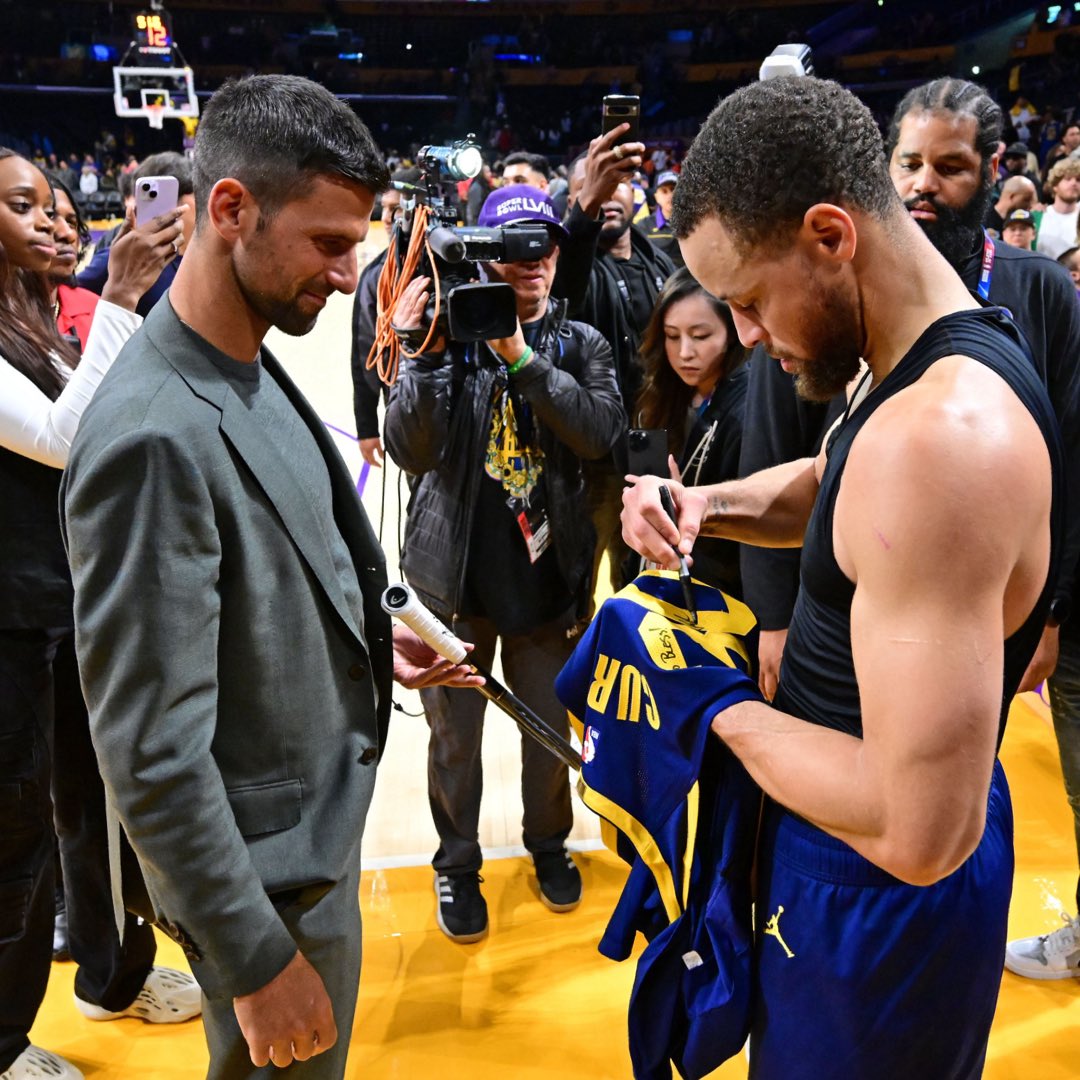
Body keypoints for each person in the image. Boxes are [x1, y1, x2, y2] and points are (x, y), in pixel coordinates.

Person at [621, 75, 1062, 1077]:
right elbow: (839, 482)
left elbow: (919, 831)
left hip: (877, 881)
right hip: (839, 836)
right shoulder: (917, 355)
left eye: (745, 301)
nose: (743, 336)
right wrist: (709, 504)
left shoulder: (942, 442)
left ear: (829, 236)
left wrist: (706, 705)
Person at [60, 75, 479, 1080]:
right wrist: (251, 957)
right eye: (330, 244)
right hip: (266, 889)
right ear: (230, 209)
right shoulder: (152, 435)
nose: (348, 278)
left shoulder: (239, 353)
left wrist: (372, 643)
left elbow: (283, 548)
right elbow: (150, 752)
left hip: (308, 847)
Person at [383, 184, 624, 944]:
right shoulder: (444, 340)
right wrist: (421, 350)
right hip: (448, 585)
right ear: (483, 256)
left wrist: (519, 356)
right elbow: (408, 448)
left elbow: (598, 433)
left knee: (549, 731)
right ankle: (456, 866)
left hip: (547, 583)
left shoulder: (579, 343)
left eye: (544, 247)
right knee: (453, 741)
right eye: (512, 248)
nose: (532, 264)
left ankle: (548, 845)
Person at [0, 148, 190, 1080]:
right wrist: (119, 295)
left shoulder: (48, 317)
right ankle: (1, 1042)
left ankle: (109, 977)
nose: (52, 220)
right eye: (23, 205)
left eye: (60, 206)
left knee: (100, 809)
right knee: (21, 828)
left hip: (81, 603)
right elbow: (63, 439)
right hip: (12, 622)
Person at [633, 267, 747, 595]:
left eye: (700, 336)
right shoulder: (662, 393)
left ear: (730, 332)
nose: (684, 352)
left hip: (714, 585)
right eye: (671, 336)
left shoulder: (743, 410)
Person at [350, 166, 420, 468]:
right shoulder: (375, 277)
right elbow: (365, 354)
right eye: (385, 208)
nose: (388, 217)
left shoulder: (462, 266)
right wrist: (366, 427)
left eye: (397, 208)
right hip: (408, 414)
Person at [78, 152, 195, 317]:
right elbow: (71, 294)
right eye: (196, 192)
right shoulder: (126, 256)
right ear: (175, 202)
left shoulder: (203, 257)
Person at [1035, 157, 1080, 260]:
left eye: (1078, 180)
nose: (1074, 183)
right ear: (1055, 185)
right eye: (1068, 179)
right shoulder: (1038, 215)